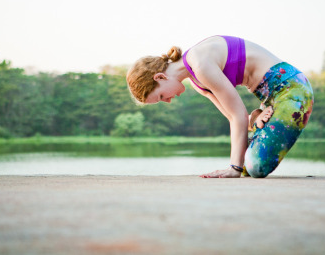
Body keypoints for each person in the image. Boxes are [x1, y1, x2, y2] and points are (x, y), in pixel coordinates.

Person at [126, 35, 314, 178]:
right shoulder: (197, 81)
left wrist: (234, 167)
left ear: (160, 77)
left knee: (255, 167)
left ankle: (260, 122)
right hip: (270, 99)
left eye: (160, 96)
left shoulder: (199, 64)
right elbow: (234, 117)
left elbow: (238, 115)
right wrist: (251, 122)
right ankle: (259, 118)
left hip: (291, 88)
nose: (167, 101)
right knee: (247, 169)